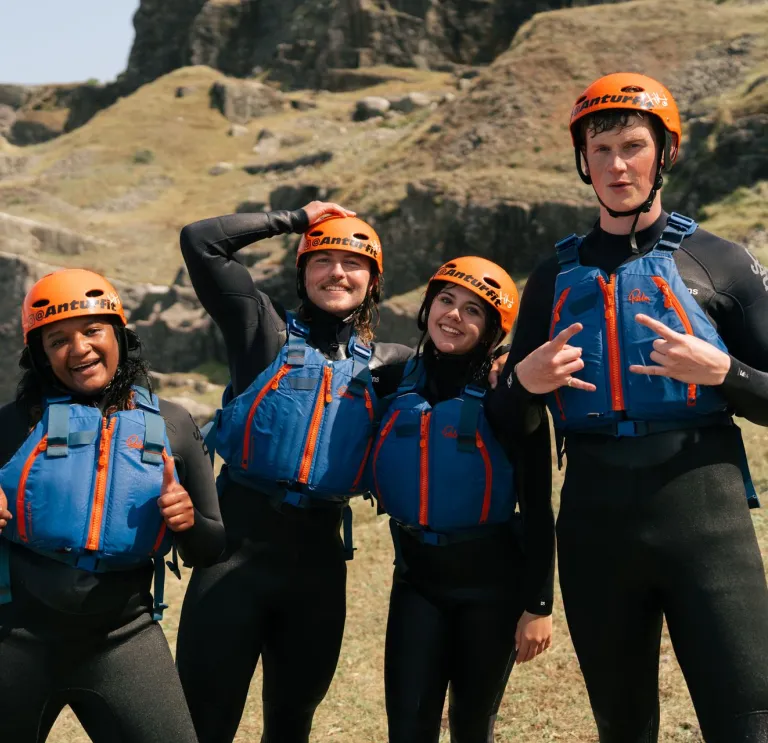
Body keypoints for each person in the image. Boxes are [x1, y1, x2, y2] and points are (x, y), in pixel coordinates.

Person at [490, 72, 768, 742]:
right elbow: (512, 427)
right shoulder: (554, 278)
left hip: (707, 522)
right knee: (622, 729)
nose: (617, 164)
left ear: (664, 153)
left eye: (633, 146)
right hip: (595, 529)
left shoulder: (719, 263)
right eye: (602, 149)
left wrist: (722, 369)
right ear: (582, 161)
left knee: (750, 724)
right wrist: (521, 386)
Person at [175, 202, 417, 743]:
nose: (338, 272)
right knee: (203, 723)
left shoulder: (391, 366)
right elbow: (201, 242)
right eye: (323, 260)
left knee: (291, 724)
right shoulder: (261, 329)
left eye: (354, 264)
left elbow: (470, 362)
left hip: (317, 566)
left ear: (373, 282)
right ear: (302, 271)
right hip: (234, 553)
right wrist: (296, 218)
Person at [0, 268, 224, 743]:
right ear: (39, 355)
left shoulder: (173, 425)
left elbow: (211, 549)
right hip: (14, 637)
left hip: (123, 639)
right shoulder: (11, 425)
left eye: (92, 330)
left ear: (119, 334)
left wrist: (187, 522)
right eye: (57, 340)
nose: (78, 349)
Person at [372, 256, 554, 743]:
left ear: (493, 329)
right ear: (427, 306)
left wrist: (539, 604)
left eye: (474, 311)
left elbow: (537, 507)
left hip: (492, 590)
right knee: (408, 728)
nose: (454, 316)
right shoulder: (391, 381)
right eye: (445, 301)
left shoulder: (511, 400)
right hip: (416, 582)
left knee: (473, 727)